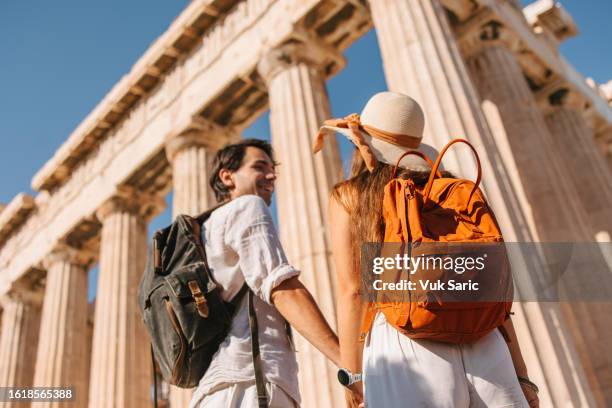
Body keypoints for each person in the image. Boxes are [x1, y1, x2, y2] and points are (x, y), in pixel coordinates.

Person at [314, 92, 539, 408]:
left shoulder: (351, 197)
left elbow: (353, 291)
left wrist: (352, 376)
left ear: (359, 144)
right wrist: (522, 375)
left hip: (405, 343)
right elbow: (490, 287)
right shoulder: (455, 194)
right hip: (486, 344)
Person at [189, 138, 340, 408]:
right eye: (259, 167)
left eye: (273, 170)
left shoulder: (207, 229)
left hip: (215, 388)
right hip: (249, 384)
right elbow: (281, 289)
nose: (271, 176)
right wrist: (348, 365)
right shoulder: (248, 206)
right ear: (228, 176)